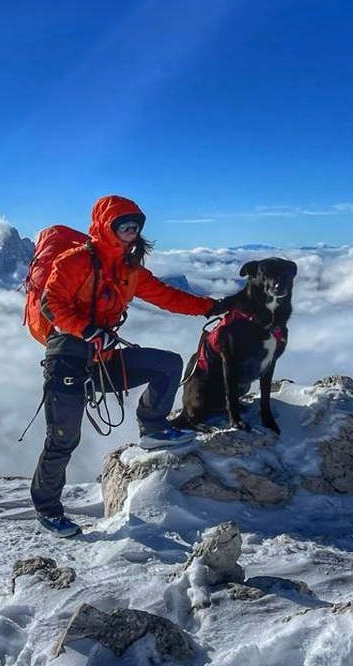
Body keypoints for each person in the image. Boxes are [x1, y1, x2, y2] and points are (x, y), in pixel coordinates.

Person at [30, 195, 235, 537]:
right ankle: (48, 510)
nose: (130, 231)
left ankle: (153, 427)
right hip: (66, 355)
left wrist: (212, 306)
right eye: (122, 225)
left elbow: (167, 295)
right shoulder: (74, 261)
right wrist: (89, 330)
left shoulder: (128, 270)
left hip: (103, 359)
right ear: (104, 226)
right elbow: (52, 306)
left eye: (135, 226)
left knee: (167, 365)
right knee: (63, 438)